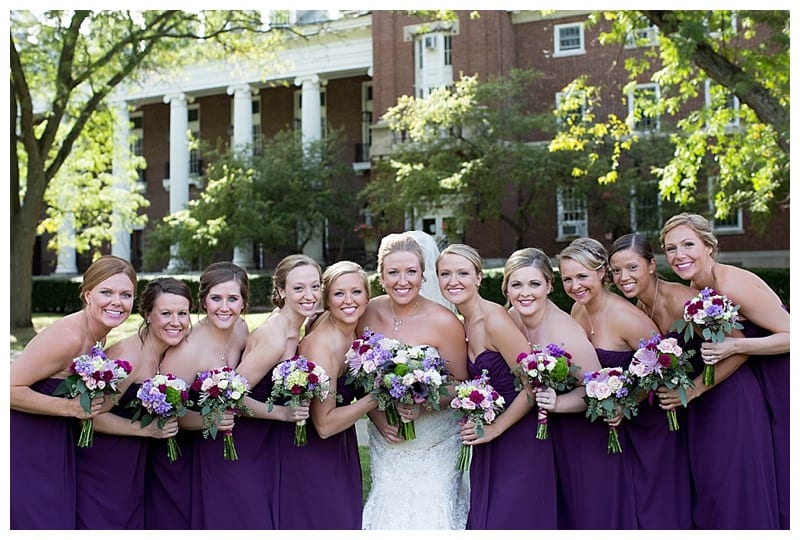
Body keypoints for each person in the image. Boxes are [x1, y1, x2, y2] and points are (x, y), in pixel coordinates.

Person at [660, 214, 785, 528]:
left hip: (779, 379)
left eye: (688, 244)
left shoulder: (731, 283)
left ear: (709, 246)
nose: (679, 255)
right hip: (745, 381)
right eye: (671, 248)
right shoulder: (695, 288)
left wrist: (736, 347)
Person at [10, 255, 137, 530]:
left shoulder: (99, 334)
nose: (117, 301)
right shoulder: (69, 336)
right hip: (26, 442)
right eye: (107, 292)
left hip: (54, 439)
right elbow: (7, 388)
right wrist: (70, 408)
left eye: (126, 294)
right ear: (87, 294)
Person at [437, 243, 557, 529]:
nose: (454, 281)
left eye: (463, 273)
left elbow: (533, 386)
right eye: (445, 274)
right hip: (489, 440)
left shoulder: (494, 320)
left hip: (519, 438)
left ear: (479, 277)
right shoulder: (461, 323)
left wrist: (495, 429)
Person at [503, 247, 624, 529]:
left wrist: (558, 403)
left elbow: (597, 389)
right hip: (536, 436)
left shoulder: (564, 331)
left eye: (534, 284)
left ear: (548, 285)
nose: (525, 293)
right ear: (506, 288)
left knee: (580, 513)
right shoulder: (509, 319)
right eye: (517, 284)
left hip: (579, 435)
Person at [359, 232, 470, 530]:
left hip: (435, 443)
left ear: (423, 275)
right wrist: (378, 415)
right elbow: (358, 378)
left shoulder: (445, 322)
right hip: (388, 441)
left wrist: (423, 405)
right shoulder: (366, 314)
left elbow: (461, 385)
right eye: (393, 272)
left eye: (411, 271)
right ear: (381, 276)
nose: (402, 280)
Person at [557, 237, 660, 529]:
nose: (575, 286)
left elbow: (660, 367)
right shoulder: (578, 309)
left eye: (582, 276)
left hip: (638, 425)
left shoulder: (627, 317)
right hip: (599, 425)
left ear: (602, 272)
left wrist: (626, 403)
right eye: (567, 278)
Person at [75, 277, 191, 529]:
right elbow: (90, 415)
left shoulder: (167, 351)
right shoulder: (130, 358)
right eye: (166, 313)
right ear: (148, 314)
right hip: (106, 461)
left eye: (183, 313)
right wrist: (147, 430)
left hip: (135, 461)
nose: (176, 322)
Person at [282, 260, 378, 529]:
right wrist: (376, 396)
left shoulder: (351, 330)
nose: (349, 300)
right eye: (339, 294)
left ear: (367, 297)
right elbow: (324, 425)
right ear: (327, 299)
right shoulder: (324, 345)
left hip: (339, 445)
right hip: (316, 454)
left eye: (356, 292)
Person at [157, 261, 250, 529]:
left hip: (232, 449)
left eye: (233, 298)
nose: (224, 307)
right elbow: (170, 413)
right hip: (192, 455)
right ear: (204, 301)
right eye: (216, 298)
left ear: (243, 302)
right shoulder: (186, 351)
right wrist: (210, 420)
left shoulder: (242, 329)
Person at [235, 254, 321, 528]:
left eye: (315, 286)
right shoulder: (275, 336)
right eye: (298, 288)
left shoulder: (301, 324)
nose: (310, 295)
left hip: (273, 442)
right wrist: (283, 414)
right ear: (282, 291)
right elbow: (232, 398)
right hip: (248, 443)